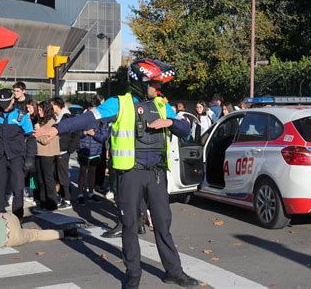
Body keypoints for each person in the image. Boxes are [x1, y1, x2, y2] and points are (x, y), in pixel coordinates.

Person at [35, 59, 199, 288]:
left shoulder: (162, 104)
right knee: (130, 225)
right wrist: (56, 128)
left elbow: (185, 129)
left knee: (162, 224)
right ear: (141, 83)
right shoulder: (119, 104)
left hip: (157, 175)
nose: (158, 88)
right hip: (129, 174)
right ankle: (133, 274)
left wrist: (169, 121)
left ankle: (174, 271)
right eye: (154, 83)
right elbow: (88, 118)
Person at [0, 89, 37, 219]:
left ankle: (18, 219)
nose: (4, 106)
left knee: (18, 189)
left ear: (12, 100)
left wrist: (30, 157)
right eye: (2, 103)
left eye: (7, 103)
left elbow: (30, 138)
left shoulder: (21, 115)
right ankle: (0, 219)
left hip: (16, 157)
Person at [76, 98, 108, 206]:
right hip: (83, 150)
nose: (93, 111)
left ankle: (91, 193)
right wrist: (85, 132)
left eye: (95, 109)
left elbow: (103, 137)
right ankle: (80, 194)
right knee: (82, 171)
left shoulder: (102, 120)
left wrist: (94, 134)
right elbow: (77, 134)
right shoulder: (83, 118)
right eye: (91, 108)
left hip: (96, 151)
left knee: (92, 172)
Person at [50, 97, 79, 209]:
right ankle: (63, 196)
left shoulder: (67, 116)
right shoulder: (56, 117)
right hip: (56, 150)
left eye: (52, 105)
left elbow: (75, 134)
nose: (51, 108)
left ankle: (67, 200)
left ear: (57, 105)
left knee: (63, 176)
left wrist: (70, 149)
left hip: (63, 150)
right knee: (57, 174)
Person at [34, 100, 61, 211]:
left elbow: (45, 140)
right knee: (40, 179)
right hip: (39, 153)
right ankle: (43, 201)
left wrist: (37, 133)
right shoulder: (42, 121)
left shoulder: (51, 122)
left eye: (41, 110)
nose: (39, 112)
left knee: (48, 179)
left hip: (47, 154)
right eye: (38, 110)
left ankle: (52, 203)